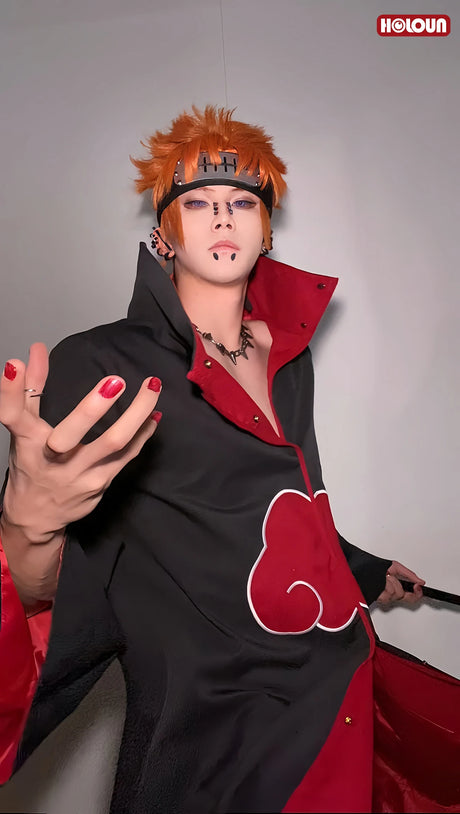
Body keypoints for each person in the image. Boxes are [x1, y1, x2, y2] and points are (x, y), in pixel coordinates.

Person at [0, 106, 428, 813]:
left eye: (242, 202)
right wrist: (25, 528)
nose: (223, 215)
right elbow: (56, 589)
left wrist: (361, 566)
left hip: (336, 703)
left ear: (266, 229)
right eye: (197, 202)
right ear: (163, 234)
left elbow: (268, 509)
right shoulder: (101, 366)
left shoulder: (289, 358)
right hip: (218, 748)